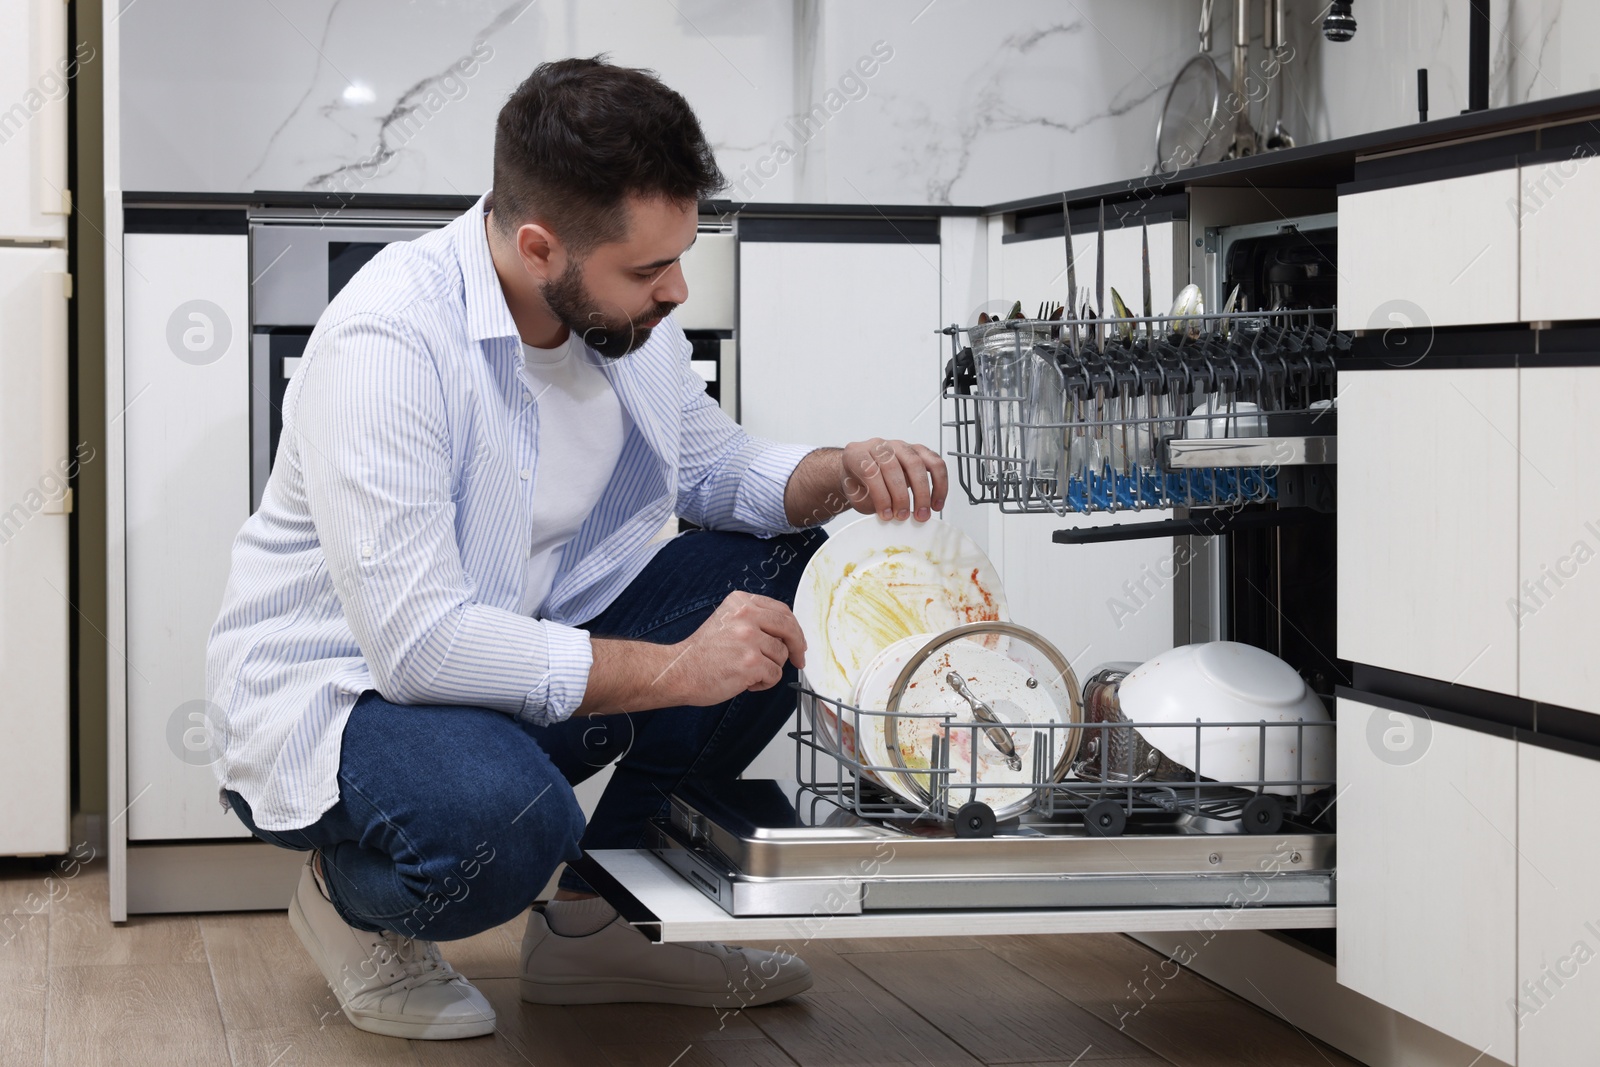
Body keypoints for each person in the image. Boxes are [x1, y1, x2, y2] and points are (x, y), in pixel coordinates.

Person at [204, 56, 946, 1042]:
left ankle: (599, 926)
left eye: (680, 256)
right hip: (353, 700)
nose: (676, 289)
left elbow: (710, 463)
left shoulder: (626, 321)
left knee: (783, 571)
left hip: (514, 657)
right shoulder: (388, 341)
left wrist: (834, 469)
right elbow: (422, 648)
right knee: (509, 825)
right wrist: (677, 669)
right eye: (647, 269)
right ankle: (351, 900)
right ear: (538, 244)